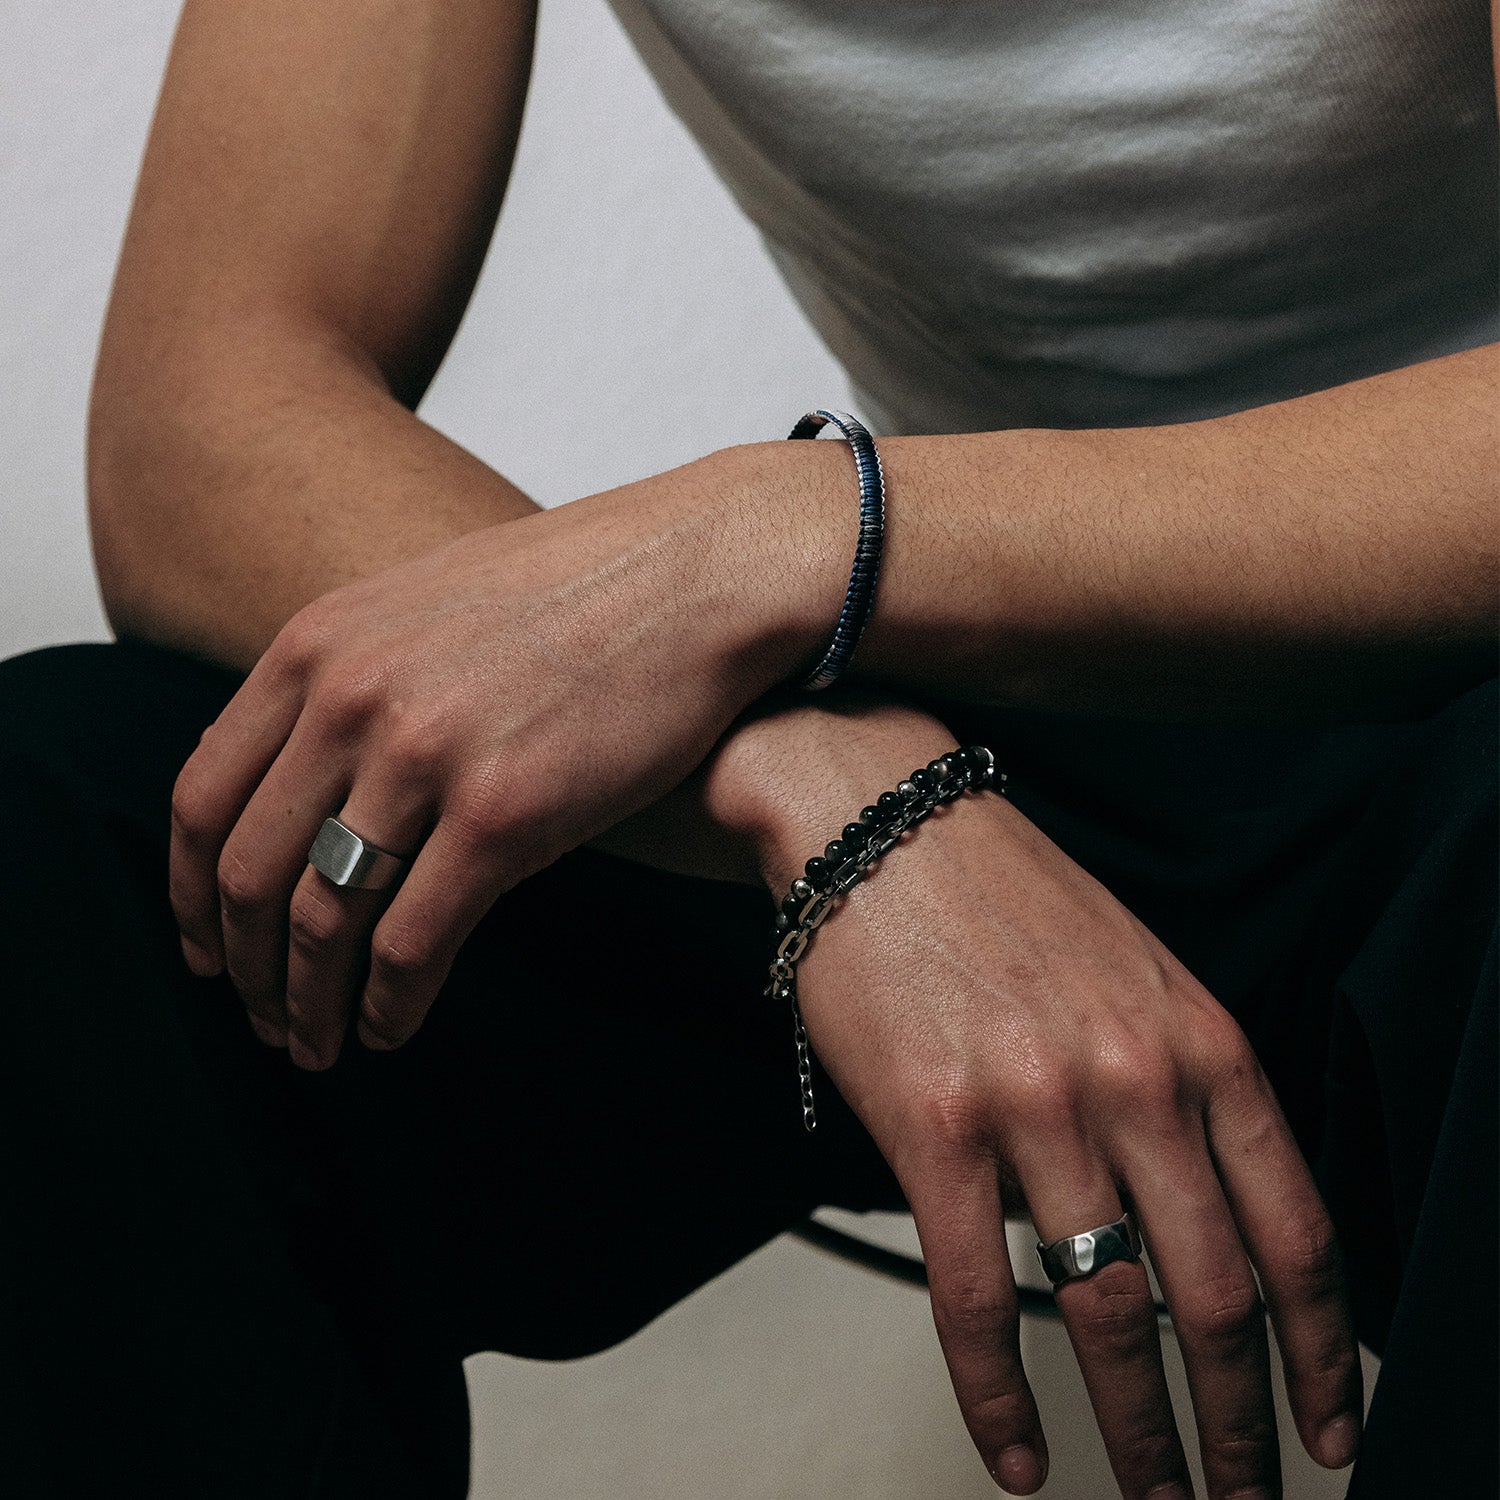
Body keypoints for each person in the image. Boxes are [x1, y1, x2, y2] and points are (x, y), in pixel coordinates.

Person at [2, 1, 1494, 1496]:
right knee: (66, 828)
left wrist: (783, 542)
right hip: (961, 670)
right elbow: (204, 417)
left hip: (1439, 663)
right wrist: (821, 773)